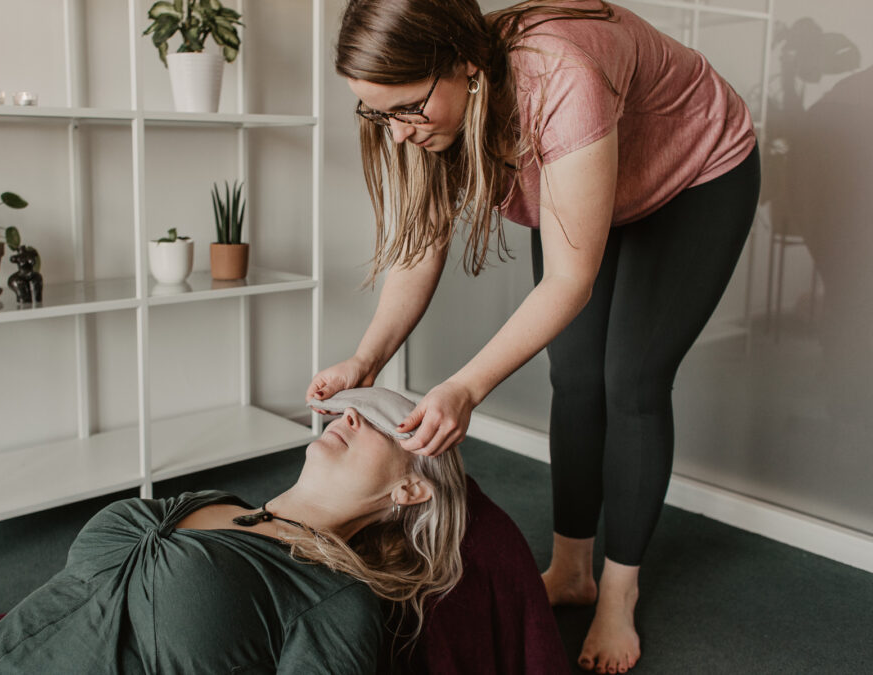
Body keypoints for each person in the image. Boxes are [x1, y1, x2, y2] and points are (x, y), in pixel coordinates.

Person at [309, 1, 760, 672]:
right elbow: (420, 245)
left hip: (693, 175)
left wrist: (466, 386)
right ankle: (572, 565)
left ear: (465, 69)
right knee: (574, 374)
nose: (395, 133)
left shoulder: (560, 75)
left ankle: (616, 593)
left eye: (404, 109)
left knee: (630, 377)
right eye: (377, 114)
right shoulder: (422, 115)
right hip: (593, 175)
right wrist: (368, 356)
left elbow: (569, 281)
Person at [0, 398, 467, 674]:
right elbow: (56, 613)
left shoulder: (334, 598)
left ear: (409, 490)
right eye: (349, 410)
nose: (350, 417)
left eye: (388, 426)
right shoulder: (210, 502)